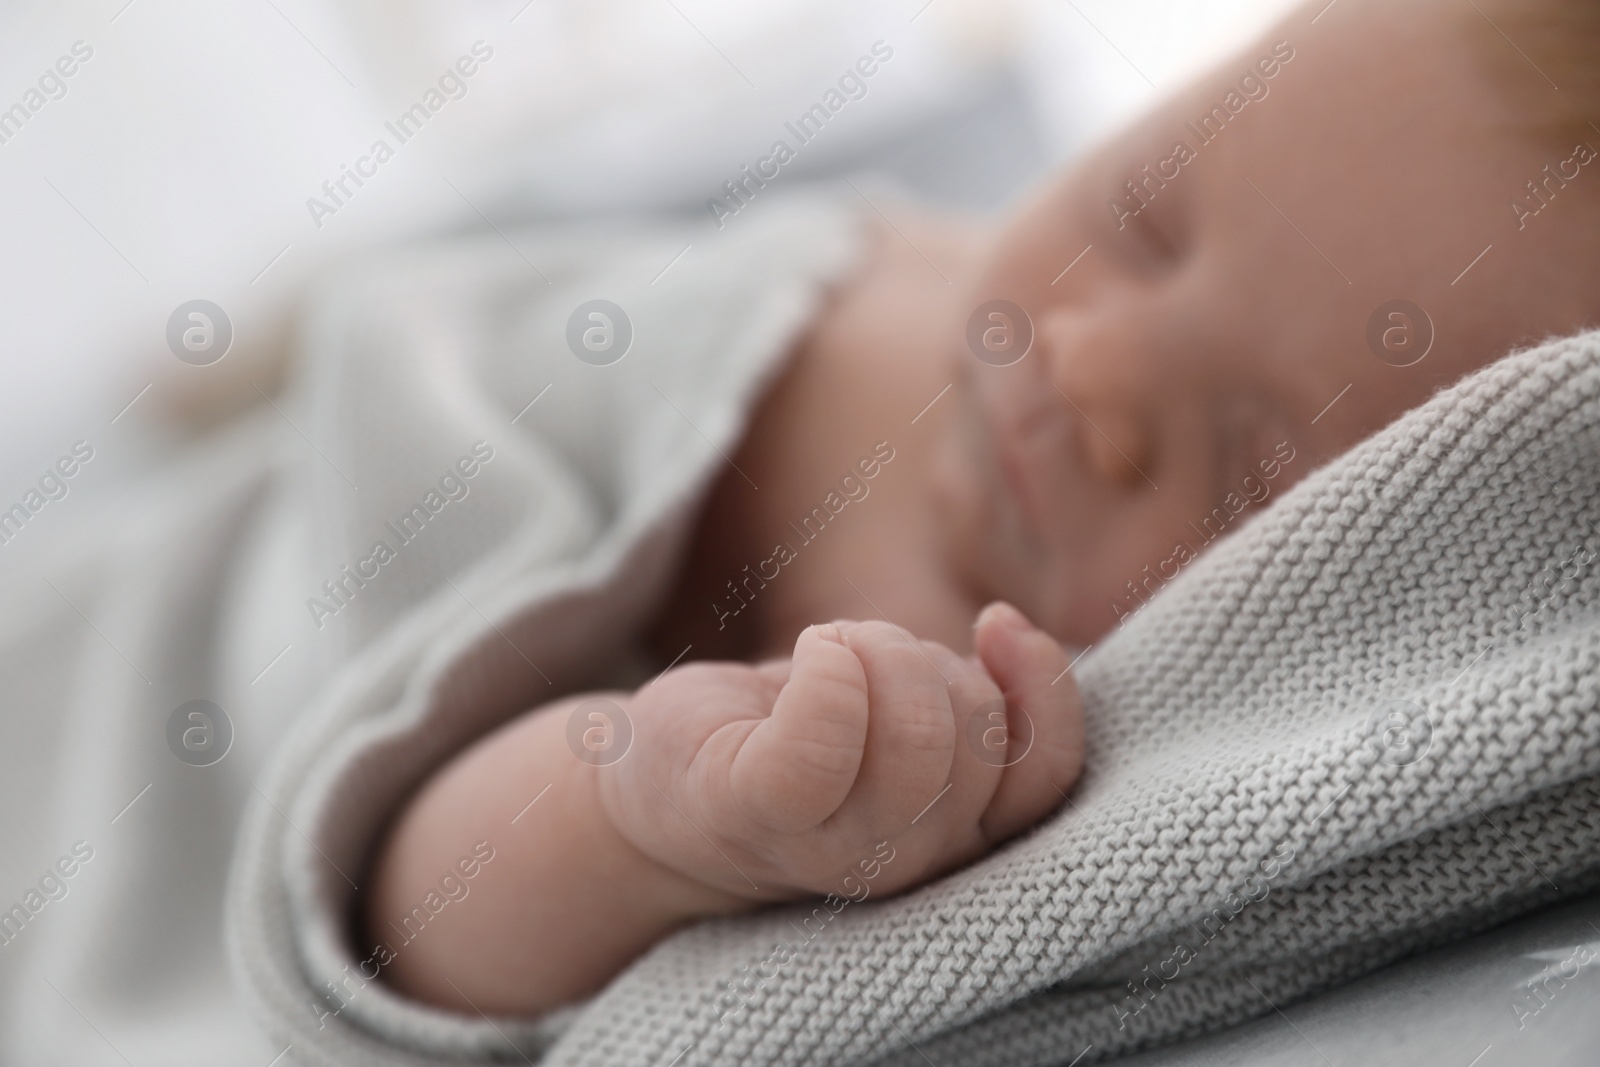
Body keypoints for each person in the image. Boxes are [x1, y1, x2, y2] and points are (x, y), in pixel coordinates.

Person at [366, 0, 1600, 1018]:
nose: (1089, 362)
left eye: (1250, 473)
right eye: (1145, 216)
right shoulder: (862, 294)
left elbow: (403, 928)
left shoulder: (948, 737)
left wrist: (639, 824)